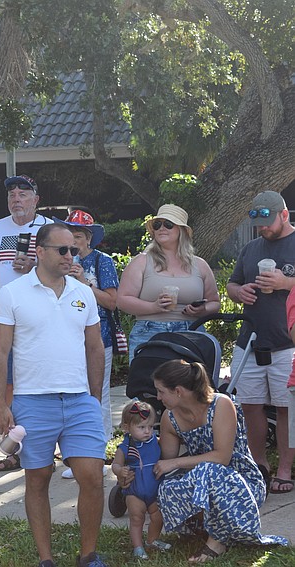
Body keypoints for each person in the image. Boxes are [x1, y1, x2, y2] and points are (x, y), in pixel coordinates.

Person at [0, 223, 108, 567]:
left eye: (74, 249)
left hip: (79, 400)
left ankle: (89, 555)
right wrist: (1, 404)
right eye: (63, 250)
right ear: (39, 252)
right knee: (38, 479)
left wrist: (94, 398)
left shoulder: (82, 292)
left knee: (91, 475)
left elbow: (95, 347)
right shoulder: (13, 293)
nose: (71, 256)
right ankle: (46, 559)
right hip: (32, 400)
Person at [152, 359, 288, 562]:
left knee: (210, 470)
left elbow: (222, 458)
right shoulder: (169, 417)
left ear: (178, 391)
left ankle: (217, 542)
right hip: (200, 478)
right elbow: (166, 462)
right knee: (167, 486)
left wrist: (176, 463)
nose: (158, 397)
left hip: (239, 481)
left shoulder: (221, 404)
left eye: (161, 391)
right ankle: (220, 528)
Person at [0, 175, 51, 473]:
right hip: (1, 319)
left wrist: (34, 265)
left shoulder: (50, 229)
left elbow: (67, 270)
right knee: (5, 385)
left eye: (23, 193)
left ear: (36, 199)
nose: (16, 199)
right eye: (12, 194)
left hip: (38, 319)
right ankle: (12, 449)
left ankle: (42, 448)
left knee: (36, 383)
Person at [227, 190, 295, 494]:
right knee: (250, 407)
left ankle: (284, 470)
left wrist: (285, 283)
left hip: (287, 342)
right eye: (258, 224)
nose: (263, 229)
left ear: (284, 214)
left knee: (286, 409)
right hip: (250, 341)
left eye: (268, 222)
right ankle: (259, 466)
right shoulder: (252, 247)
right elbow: (232, 283)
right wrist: (237, 292)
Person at [54, 210, 117, 479]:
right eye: (68, 236)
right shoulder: (57, 263)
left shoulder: (103, 262)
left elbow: (112, 302)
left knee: (96, 396)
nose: (73, 242)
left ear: (88, 239)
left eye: (77, 236)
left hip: (97, 339)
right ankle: (75, 456)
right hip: (66, 339)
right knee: (68, 397)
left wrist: (82, 283)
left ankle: (97, 458)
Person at [117, 204, 220, 361]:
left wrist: (201, 310)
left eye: (168, 224)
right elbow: (122, 300)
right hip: (149, 331)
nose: (161, 229)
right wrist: (153, 307)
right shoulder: (141, 261)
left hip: (191, 332)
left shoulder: (200, 265)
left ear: (182, 230)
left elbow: (215, 303)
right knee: (147, 384)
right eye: (158, 225)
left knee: (191, 384)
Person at [111, 400, 171, 560]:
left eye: (150, 427)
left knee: (158, 516)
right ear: (126, 427)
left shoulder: (155, 442)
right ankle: (138, 547)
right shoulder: (125, 447)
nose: (147, 431)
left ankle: (152, 540)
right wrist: (119, 470)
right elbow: (115, 464)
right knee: (137, 518)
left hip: (154, 488)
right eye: (141, 427)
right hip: (135, 491)